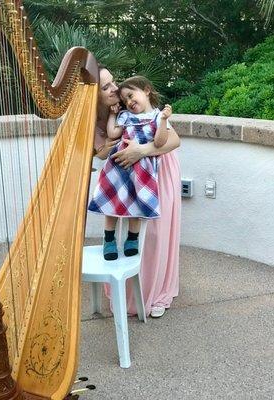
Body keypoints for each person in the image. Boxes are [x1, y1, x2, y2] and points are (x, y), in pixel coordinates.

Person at [93, 66, 181, 318]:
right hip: (126, 177)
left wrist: (141, 151)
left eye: (113, 83)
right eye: (106, 86)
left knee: (154, 231)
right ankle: (131, 292)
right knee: (129, 227)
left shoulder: (144, 111)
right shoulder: (112, 117)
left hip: (158, 167)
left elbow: (172, 141)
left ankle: (156, 292)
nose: (114, 89)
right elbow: (100, 152)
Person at [89, 75, 172, 261]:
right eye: (125, 99)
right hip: (118, 168)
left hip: (141, 169)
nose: (129, 101)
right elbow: (113, 133)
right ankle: (108, 239)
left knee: (136, 202)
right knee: (112, 200)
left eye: (131, 95)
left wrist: (165, 120)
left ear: (147, 90)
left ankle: (132, 240)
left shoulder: (158, 117)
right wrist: (113, 114)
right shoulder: (125, 115)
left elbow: (160, 143)